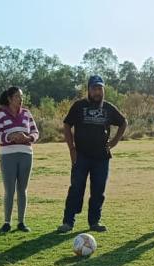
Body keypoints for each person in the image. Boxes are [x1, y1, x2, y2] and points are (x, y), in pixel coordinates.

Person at [57, 75, 126, 233]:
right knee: (76, 188)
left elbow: (123, 122)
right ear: (88, 90)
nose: (97, 92)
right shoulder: (79, 106)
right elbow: (67, 125)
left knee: (98, 191)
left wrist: (114, 141)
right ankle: (68, 222)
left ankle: (94, 222)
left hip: (101, 157)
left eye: (100, 88)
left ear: (103, 90)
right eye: (94, 88)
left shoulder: (108, 108)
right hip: (81, 156)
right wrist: (72, 149)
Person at [0, 86, 39, 233]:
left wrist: (28, 138)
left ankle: (21, 222)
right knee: (9, 189)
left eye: (21, 96)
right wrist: (9, 137)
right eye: (18, 96)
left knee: (22, 189)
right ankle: (7, 222)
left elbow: (35, 132)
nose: (21, 99)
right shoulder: (1, 115)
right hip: (8, 155)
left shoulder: (26, 113)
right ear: (10, 98)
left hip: (26, 153)